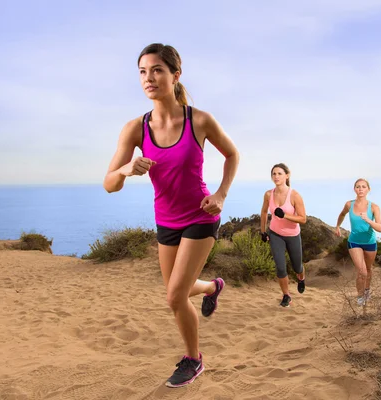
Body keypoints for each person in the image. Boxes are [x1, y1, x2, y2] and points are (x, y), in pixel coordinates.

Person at [103, 43, 239, 388]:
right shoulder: (135, 129)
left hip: (200, 216)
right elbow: (109, 184)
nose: (149, 78)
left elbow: (232, 155)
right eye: (142, 72)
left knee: (174, 297)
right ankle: (212, 287)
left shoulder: (200, 120)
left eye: (157, 70)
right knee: (178, 291)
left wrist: (221, 194)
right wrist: (126, 169)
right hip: (166, 220)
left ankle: (193, 360)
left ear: (175, 75)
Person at [260, 163, 307, 308]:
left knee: (297, 266)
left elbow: (303, 219)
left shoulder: (295, 195)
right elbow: (263, 212)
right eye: (274, 174)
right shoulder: (269, 194)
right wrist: (263, 231)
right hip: (275, 234)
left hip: (292, 235)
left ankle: (301, 278)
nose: (276, 176)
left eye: (279, 173)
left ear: (287, 176)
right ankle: (286, 295)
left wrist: (285, 215)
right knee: (280, 268)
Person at [335, 178, 381, 306]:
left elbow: (380, 228)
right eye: (358, 187)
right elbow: (342, 214)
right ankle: (360, 297)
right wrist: (338, 226)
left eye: (363, 187)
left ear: (368, 189)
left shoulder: (374, 207)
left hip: (370, 242)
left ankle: (367, 291)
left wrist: (368, 220)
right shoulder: (349, 205)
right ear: (354, 189)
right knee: (362, 271)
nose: (360, 189)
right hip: (354, 242)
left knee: (368, 269)